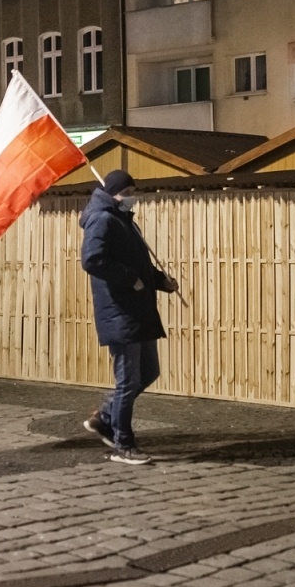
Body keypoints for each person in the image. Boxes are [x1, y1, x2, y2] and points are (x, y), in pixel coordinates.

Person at [79, 170, 178, 465]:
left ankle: (105, 417)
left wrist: (160, 281)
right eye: (129, 192)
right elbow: (93, 259)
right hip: (120, 311)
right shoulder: (103, 219)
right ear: (114, 192)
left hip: (138, 310)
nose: (133, 197)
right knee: (128, 380)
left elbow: (138, 265)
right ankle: (123, 444)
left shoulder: (122, 220)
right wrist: (129, 279)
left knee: (148, 372)